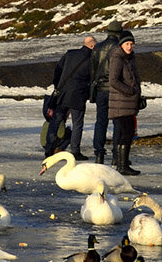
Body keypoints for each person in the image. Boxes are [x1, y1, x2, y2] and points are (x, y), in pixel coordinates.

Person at [43, 36, 96, 159]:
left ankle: (49, 149)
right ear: (92, 46)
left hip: (63, 93)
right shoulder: (92, 59)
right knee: (77, 123)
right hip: (78, 95)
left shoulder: (69, 54)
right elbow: (92, 78)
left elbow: (57, 71)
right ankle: (75, 151)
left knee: (55, 121)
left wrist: (58, 86)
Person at [88, 20, 129, 165]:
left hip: (100, 90)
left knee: (101, 122)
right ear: (119, 33)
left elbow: (92, 70)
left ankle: (99, 154)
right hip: (115, 90)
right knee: (118, 122)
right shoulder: (119, 48)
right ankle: (116, 156)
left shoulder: (97, 48)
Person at [107, 31, 142, 176]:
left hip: (128, 103)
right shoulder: (117, 58)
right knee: (125, 133)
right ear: (121, 44)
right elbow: (113, 80)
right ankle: (122, 165)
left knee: (127, 133)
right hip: (121, 103)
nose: (129, 47)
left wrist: (138, 95)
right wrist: (130, 91)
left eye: (131, 44)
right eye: (127, 44)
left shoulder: (129, 58)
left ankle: (123, 164)